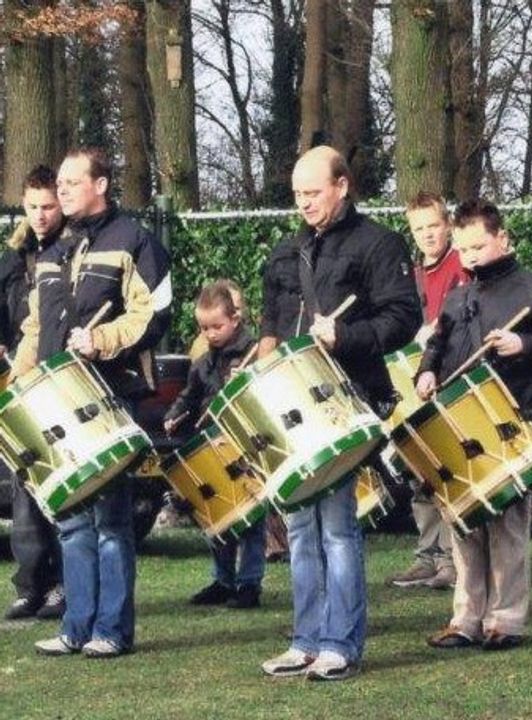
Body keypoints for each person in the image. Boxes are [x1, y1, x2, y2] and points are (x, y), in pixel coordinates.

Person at [257, 146, 418, 681]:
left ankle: (340, 644)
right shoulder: (286, 251)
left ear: (342, 186)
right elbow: (273, 324)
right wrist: (262, 359)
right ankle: (306, 640)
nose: (303, 203)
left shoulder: (380, 244)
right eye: (297, 194)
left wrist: (345, 334)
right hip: (295, 403)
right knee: (301, 525)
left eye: (313, 192)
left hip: (349, 397)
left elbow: (403, 318)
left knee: (338, 527)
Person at [24, 148, 173, 658]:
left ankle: (111, 630)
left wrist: (103, 339)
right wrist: (18, 381)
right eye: (58, 183)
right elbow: (36, 326)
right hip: (55, 398)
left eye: (71, 181)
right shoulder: (51, 248)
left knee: (111, 521)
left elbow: (157, 312)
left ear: (102, 183)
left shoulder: (135, 240)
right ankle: (76, 627)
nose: (61, 190)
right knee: (70, 518)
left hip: (110, 392)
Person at [416, 199, 532, 652]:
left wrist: (521, 342)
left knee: (506, 526)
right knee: (464, 524)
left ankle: (505, 619)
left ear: (502, 238)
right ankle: (466, 618)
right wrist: (426, 371)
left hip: (513, 419)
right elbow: (438, 344)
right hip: (460, 425)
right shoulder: (457, 296)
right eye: (463, 248)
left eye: (479, 247)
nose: (470, 256)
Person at [163, 280, 265, 610]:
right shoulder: (202, 363)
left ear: (236, 318)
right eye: (204, 327)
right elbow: (189, 396)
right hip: (212, 444)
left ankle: (249, 583)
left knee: (251, 517)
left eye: (217, 326)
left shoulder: (256, 353)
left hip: (244, 444)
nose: (211, 334)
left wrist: (248, 381)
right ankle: (223, 580)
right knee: (214, 512)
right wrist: (176, 413)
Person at [385, 191, 467, 591]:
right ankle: (427, 555)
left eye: (433, 225)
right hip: (412, 380)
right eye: (419, 228)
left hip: (448, 377)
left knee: (446, 468)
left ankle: (452, 559)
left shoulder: (460, 265)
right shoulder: (414, 272)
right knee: (419, 469)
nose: (427, 234)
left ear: (447, 224)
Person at [1, 165, 66, 622]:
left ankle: (63, 584)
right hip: (18, 382)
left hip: (59, 381)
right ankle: (30, 587)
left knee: (57, 488)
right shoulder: (11, 259)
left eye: (48, 206)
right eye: (33, 207)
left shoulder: (70, 250)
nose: (40, 215)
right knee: (24, 491)